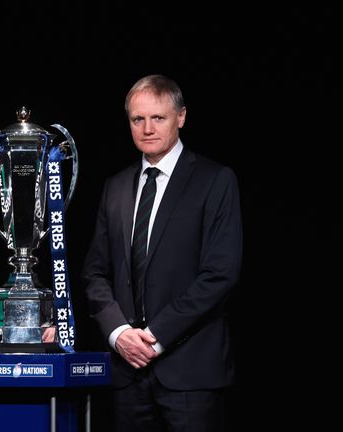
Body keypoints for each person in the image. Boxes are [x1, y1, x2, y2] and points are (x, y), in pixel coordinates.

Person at [82, 74, 243, 432]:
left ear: (181, 117)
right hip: (127, 373)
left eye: (159, 118)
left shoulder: (214, 180)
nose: (148, 128)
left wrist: (154, 337)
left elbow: (220, 274)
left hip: (189, 373)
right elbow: (95, 272)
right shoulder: (116, 186)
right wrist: (119, 333)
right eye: (138, 119)